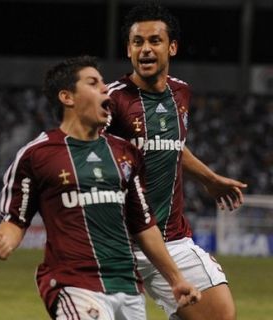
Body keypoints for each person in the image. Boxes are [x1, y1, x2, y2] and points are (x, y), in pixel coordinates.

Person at [0, 56, 200, 320]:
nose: (104, 89)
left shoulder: (125, 153)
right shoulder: (36, 155)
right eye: (93, 82)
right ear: (67, 97)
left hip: (127, 286)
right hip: (73, 283)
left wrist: (176, 279)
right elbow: (16, 220)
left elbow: (143, 225)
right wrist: (4, 239)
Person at [105, 2, 247, 319]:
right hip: (115, 245)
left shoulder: (180, 93)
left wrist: (209, 179)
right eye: (137, 42)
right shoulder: (110, 101)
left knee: (220, 314)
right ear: (128, 49)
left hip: (171, 239)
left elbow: (171, 146)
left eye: (154, 41)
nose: (145, 49)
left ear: (172, 47)